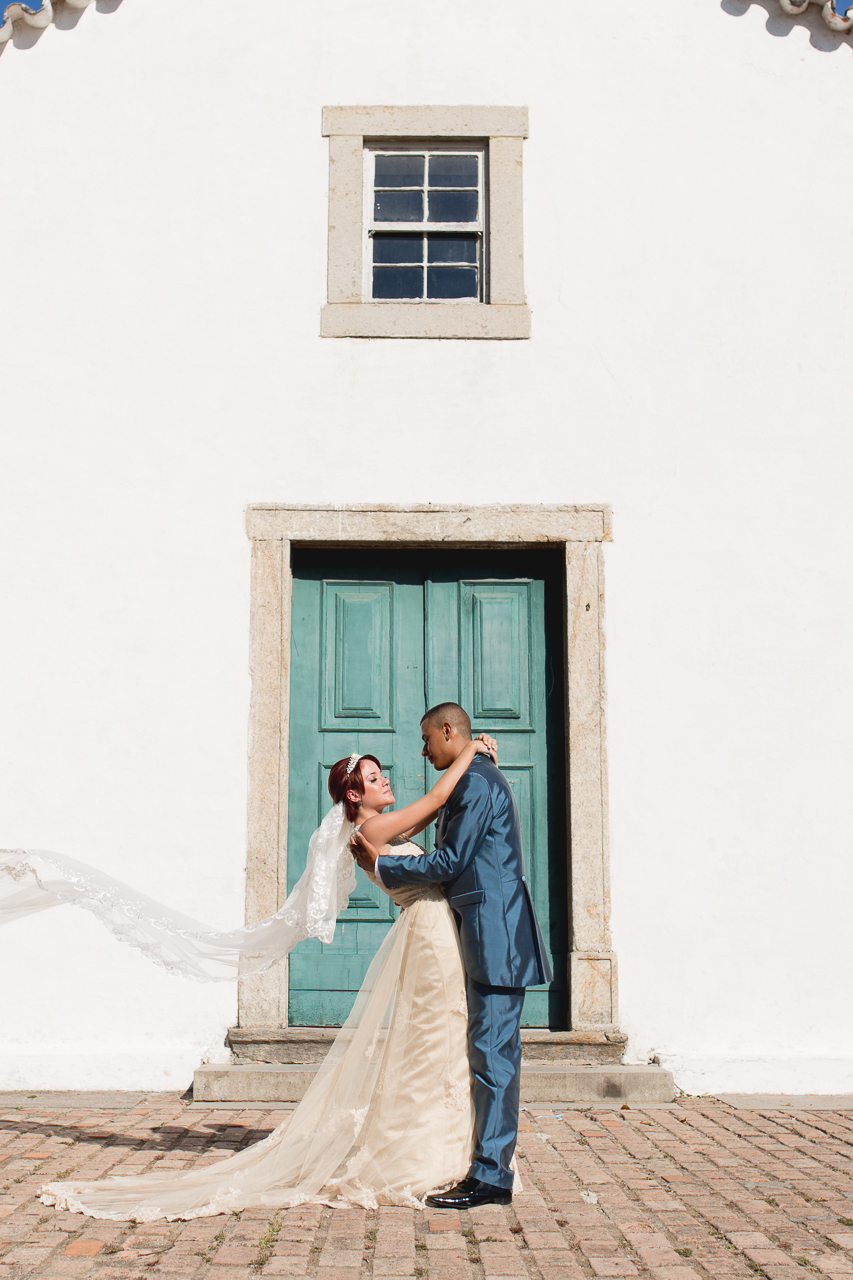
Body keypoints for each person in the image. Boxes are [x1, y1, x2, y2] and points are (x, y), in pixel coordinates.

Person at [27, 732, 497, 1219]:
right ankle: (424, 1153)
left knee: (436, 1039)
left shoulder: (380, 829)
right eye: (376, 778)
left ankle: (441, 1145)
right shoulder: (372, 830)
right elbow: (436, 799)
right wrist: (472, 750)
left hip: (432, 931)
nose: (387, 782)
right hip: (428, 937)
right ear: (355, 796)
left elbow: (434, 819)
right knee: (433, 1038)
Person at [352, 701, 552, 1210]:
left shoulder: (476, 783)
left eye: (427, 739)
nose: (423, 751)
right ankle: (482, 1165)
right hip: (482, 934)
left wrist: (384, 869)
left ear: (447, 731)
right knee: (485, 1053)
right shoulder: (469, 779)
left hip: (496, 936)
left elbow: (452, 861)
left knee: (493, 1056)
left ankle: (491, 1178)